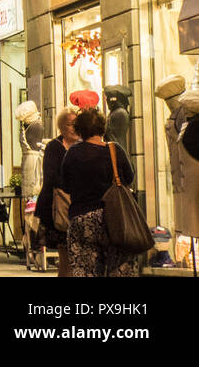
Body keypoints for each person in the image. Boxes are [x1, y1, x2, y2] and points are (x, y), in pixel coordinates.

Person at [60, 107, 139, 277]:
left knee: (84, 269)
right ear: (103, 127)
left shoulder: (72, 154)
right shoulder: (114, 150)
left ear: (79, 129)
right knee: (118, 267)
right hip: (113, 219)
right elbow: (129, 178)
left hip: (81, 219)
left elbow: (65, 186)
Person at [34, 106, 79, 276]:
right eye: (69, 124)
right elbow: (51, 176)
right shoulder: (54, 146)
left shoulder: (82, 146)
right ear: (61, 127)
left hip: (78, 207)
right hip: (57, 207)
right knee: (65, 255)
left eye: (76, 124)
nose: (73, 128)